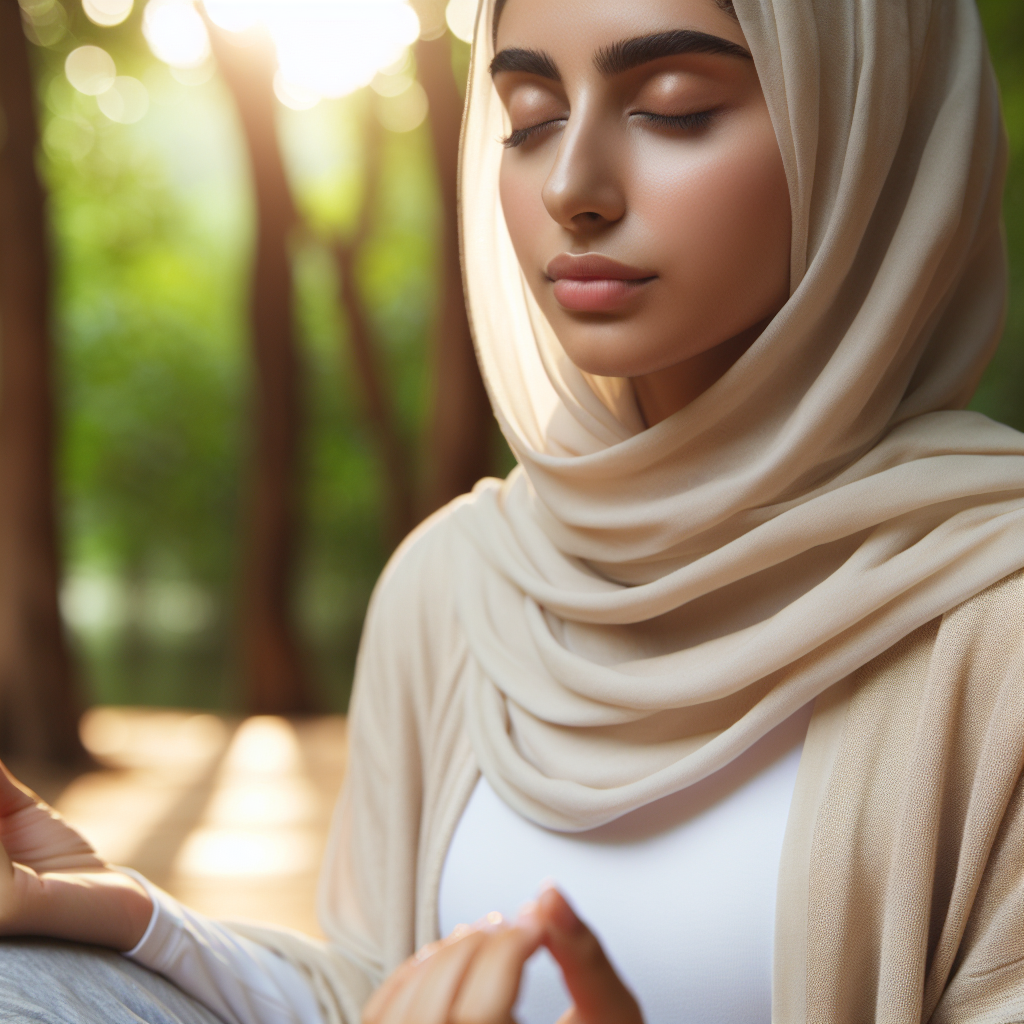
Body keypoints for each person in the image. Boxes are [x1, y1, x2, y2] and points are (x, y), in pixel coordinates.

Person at [2, 0, 1023, 1020]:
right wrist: (142, 936)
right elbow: (376, 986)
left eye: (673, 108)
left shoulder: (994, 615)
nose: (572, 186)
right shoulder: (454, 580)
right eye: (529, 116)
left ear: (867, 140)